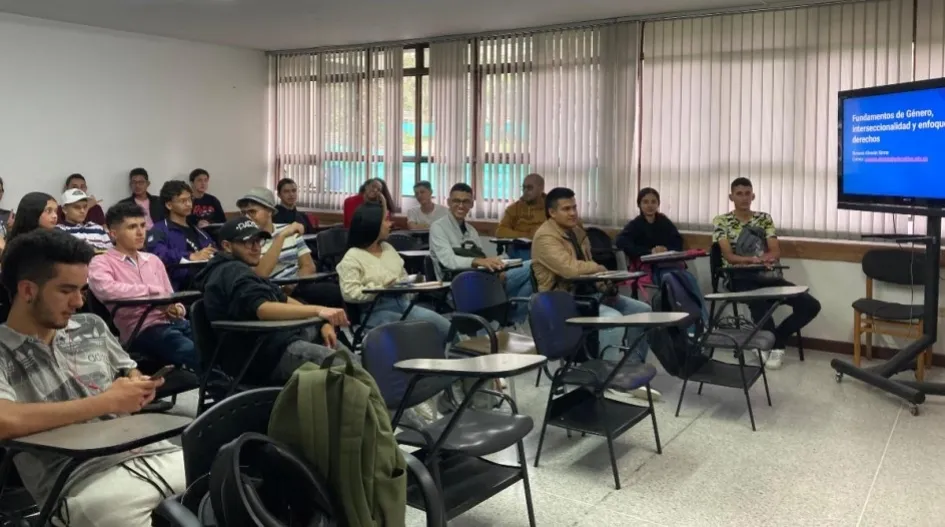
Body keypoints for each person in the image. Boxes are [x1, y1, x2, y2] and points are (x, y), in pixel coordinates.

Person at [0, 229, 184, 527]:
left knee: (230, 486)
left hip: (153, 451)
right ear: (27, 291)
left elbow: (128, 368)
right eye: (66, 290)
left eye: (82, 290)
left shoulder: (91, 326)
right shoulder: (3, 349)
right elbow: (4, 421)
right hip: (82, 481)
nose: (78, 302)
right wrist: (104, 402)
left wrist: (137, 385)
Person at [532, 187, 658, 401]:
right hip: (563, 301)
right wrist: (598, 268)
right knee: (613, 320)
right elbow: (570, 270)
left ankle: (627, 371)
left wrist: (606, 286)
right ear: (552, 213)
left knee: (643, 311)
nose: (573, 213)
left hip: (589, 295)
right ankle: (606, 380)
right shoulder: (545, 237)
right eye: (566, 209)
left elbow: (588, 270)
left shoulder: (578, 232)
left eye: (574, 207)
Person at [193, 217, 353, 384]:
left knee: (350, 361)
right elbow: (262, 309)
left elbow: (282, 299)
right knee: (348, 368)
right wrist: (318, 312)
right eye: (248, 242)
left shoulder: (245, 271)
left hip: (280, 342)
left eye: (258, 241)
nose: (256, 248)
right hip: (262, 357)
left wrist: (322, 321)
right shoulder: (230, 271)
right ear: (227, 246)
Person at [712, 177, 821, 369]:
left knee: (810, 305)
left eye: (748, 194)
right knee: (760, 304)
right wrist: (753, 260)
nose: (744, 198)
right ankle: (768, 343)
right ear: (731, 197)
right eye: (739, 194)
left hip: (767, 275)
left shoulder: (764, 218)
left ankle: (776, 340)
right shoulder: (722, 221)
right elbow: (729, 256)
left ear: (753, 195)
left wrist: (766, 260)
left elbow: (775, 250)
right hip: (738, 277)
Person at [89, 202, 198, 371]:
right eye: (132, 227)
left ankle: (232, 388)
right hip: (141, 329)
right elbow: (107, 290)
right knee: (192, 351)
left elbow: (169, 295)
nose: (141, 232)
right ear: (113, 233)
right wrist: (150, 292)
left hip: (173, 322)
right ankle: (226, 391)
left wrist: (177, 308)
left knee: (215, 344)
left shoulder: (153, 260)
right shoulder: (101, 262)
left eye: (142, 226)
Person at [338, 204, 453, 342]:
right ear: (373, 225)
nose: (390, 224)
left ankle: (455, 360)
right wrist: (380, 289)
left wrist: (413, 284)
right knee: (420, 333)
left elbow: (403, 276)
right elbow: (349, 293)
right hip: (375, 310)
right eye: (385, 221)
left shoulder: (388, 248)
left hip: (404, 304)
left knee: (447, 329)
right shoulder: (352, 256)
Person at [429, 183, 532, 325]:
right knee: (533, 265)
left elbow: (481, 259)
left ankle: (511, 317)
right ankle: (509, 317)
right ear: (448, 202)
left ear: (471, 204)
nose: (461, 205)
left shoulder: (471, 230)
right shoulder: (438, 227)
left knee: (533, 273)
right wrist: (477, 261)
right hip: (458, 284)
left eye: (465, 201)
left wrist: (496, 266)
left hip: (484, 278)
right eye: (456, 201)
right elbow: (448, 261)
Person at [238, 187, 343, 308]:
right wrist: (280, 238)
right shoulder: (243, 240)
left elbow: (308, 266)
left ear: (270, 211)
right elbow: (260, 275)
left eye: (252, 212)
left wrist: (293, 285)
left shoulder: (289, 229)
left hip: (297, 285)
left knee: (333, 291)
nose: (247, 217)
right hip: (267, 292)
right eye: (243, 213)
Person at [147, 180, 216, 290]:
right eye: (183, 201)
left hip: (207, 280)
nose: (188, 204)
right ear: (169, 205)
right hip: (180, 286)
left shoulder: (198, 230)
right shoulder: (159, 230)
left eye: (190, 199)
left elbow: (212, 248)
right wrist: (190, 256)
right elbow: (158, 254)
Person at [495, 173, 546, 260]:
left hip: (543, 250)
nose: (525, 191)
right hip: (518, 249)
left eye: (529, 188)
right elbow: (500, 232)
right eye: (523, 187)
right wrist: (526, 235)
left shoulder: (551, 207)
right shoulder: (514, 208)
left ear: (541, 188)